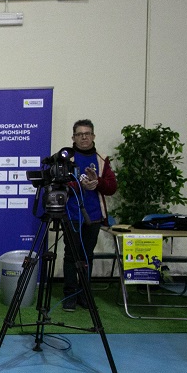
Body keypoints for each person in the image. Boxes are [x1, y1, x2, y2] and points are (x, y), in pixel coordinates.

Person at [61, 119, 118, 312]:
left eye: (87, 134)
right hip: (71, 215)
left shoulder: (102, 159)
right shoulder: (66, 158)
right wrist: (80, 185)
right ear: (73, 138)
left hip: (93, 216)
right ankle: (70, 295)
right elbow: (60, 184)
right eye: (79, 134)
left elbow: (111, 187)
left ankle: (84, 294)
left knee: (87, 256)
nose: (83, 137)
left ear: (93, 136)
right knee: (71, 256)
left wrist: (97, 182)